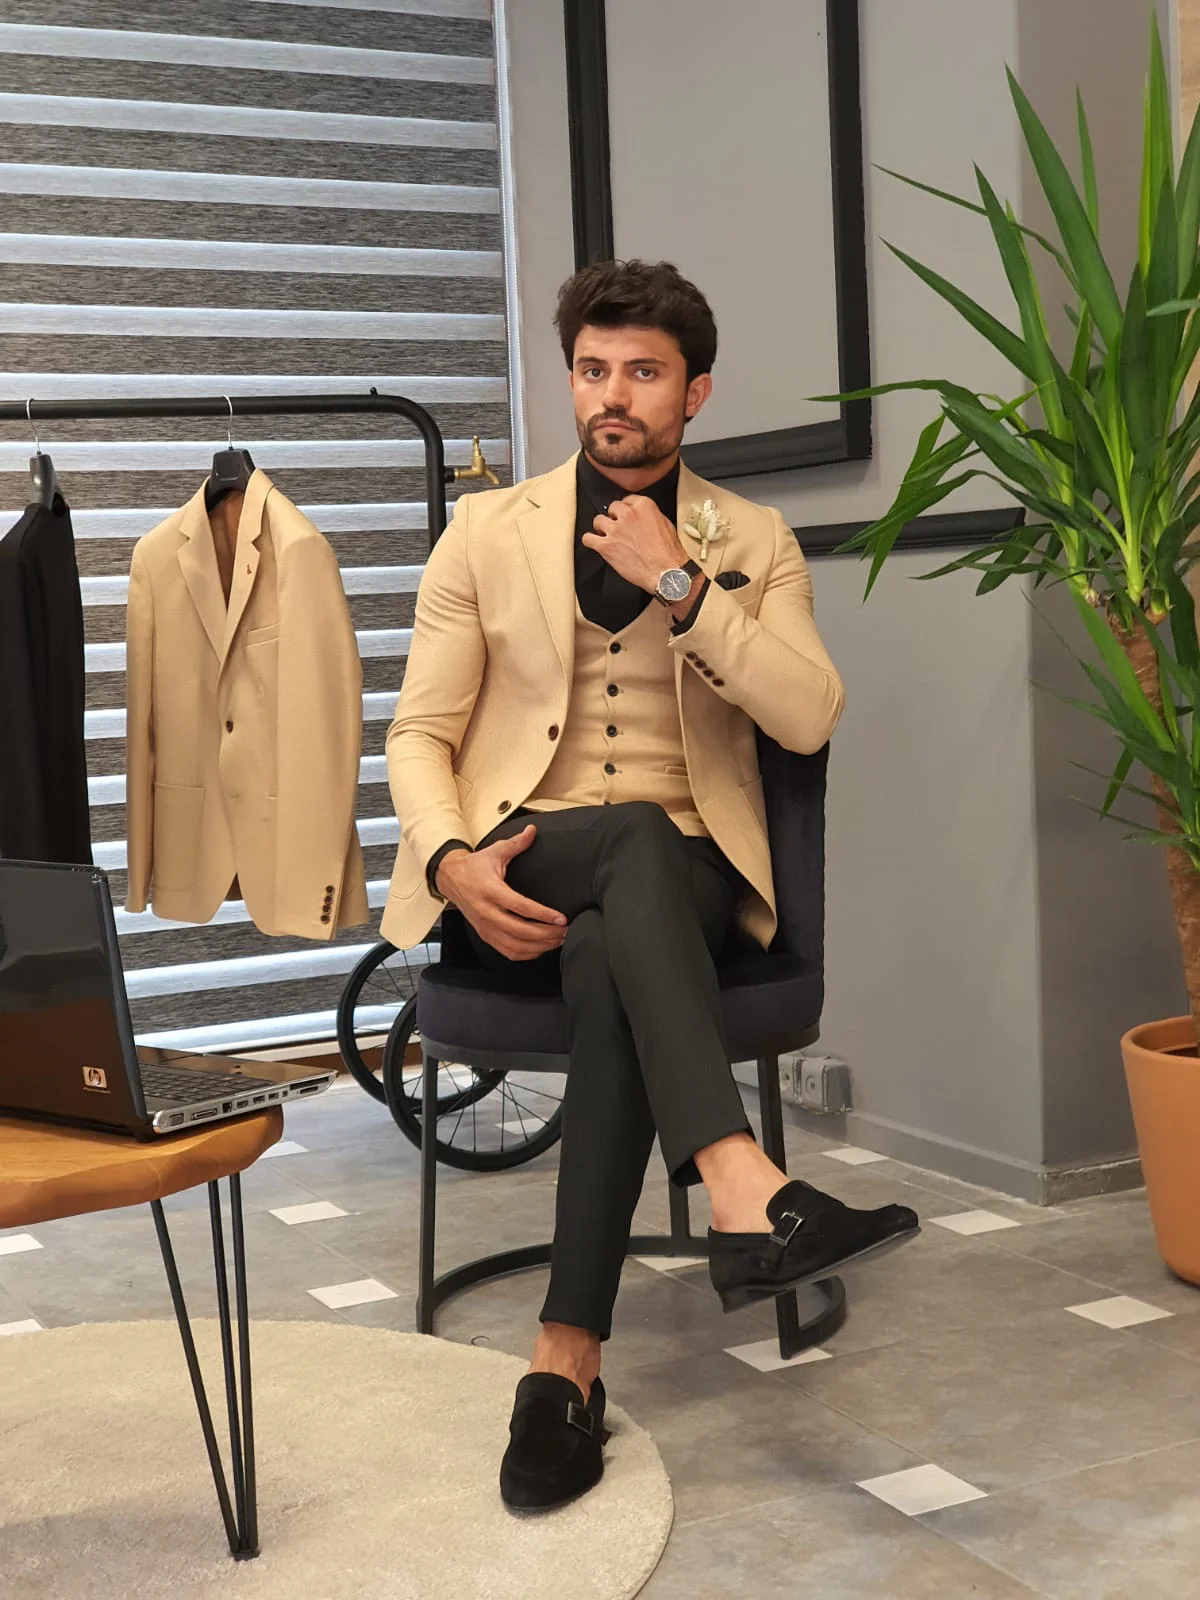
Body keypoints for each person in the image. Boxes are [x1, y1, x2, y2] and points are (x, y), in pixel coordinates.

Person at [381, 259, 918, 1512]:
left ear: (696, 392)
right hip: (527, 850)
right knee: (612, 838)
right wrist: (454, 863)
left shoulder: (754, 542)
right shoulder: (483, 533)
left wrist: (685, 581)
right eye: (592, 369)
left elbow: (807, 716)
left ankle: (565, 1367)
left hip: (683, 869)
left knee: (619, 921)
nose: (612, 394)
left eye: (643, 372)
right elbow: (417, 732)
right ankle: (741, 1186)